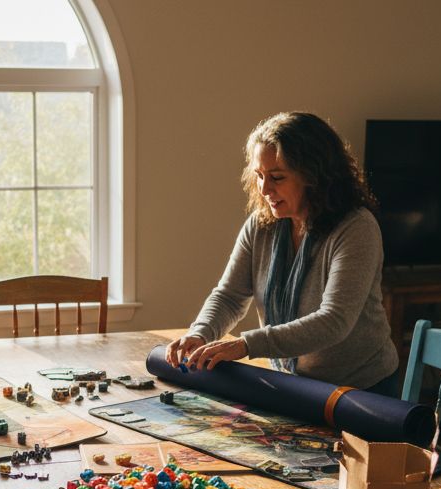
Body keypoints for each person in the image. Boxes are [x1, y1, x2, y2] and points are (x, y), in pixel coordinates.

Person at [165, 111, 399, 395]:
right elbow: (229, 296)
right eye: (259, 176)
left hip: (361, 389)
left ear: (314, 176)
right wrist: (199, 333)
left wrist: (245, 345)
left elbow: (334, 321)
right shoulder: (261, 224)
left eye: (276, 177)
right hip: (293, 383)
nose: (264, 189)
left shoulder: (356, 228)